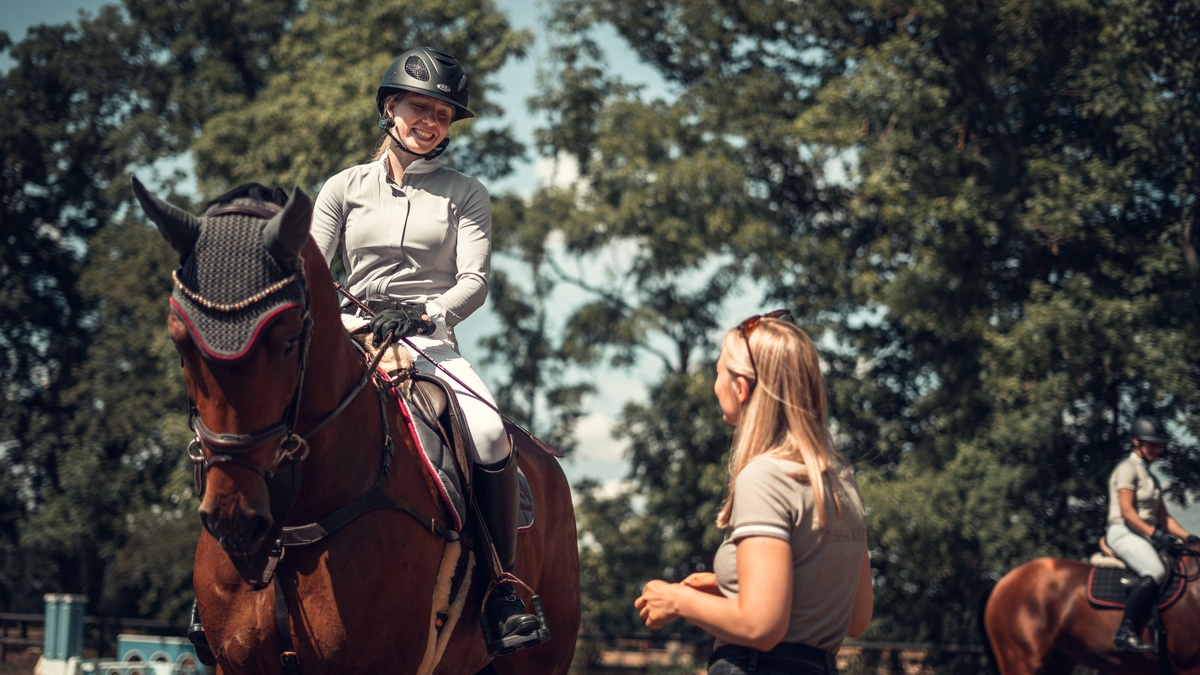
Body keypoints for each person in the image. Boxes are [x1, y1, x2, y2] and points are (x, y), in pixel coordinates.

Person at [309, 46, 545, 654]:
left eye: (443, 114)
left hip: (427, 339)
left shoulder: (466, 193)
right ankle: (229, 577)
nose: (431, 122)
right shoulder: (343, 188)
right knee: (264, 411)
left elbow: (475, 282)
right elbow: (309, 272)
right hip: (351, 333)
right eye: (420, 107)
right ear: (390, 107)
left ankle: (501, 588)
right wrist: (338, 321)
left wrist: (424, 313)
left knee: (489, 433)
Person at [634, 310, 873, 675]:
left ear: (741, 388)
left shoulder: (764, 476)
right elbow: (856, 617)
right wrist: (729, 587)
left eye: (718, 372)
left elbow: (761, 627)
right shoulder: (840, 481)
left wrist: (677, 599)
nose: (715, 385)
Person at [1105, 414, 1198, 653]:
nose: (1157, 449)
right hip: (1123, 531)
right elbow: (1127, 512)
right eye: (1152, 444)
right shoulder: (1127, 469)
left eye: (1159, 445)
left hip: (1144, 534)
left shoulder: (1151, 478)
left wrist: (1189, 537)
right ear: (1136, 441)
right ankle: (1126, 631)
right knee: (1155, 571)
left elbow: (1164, 518)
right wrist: (1155, 534)